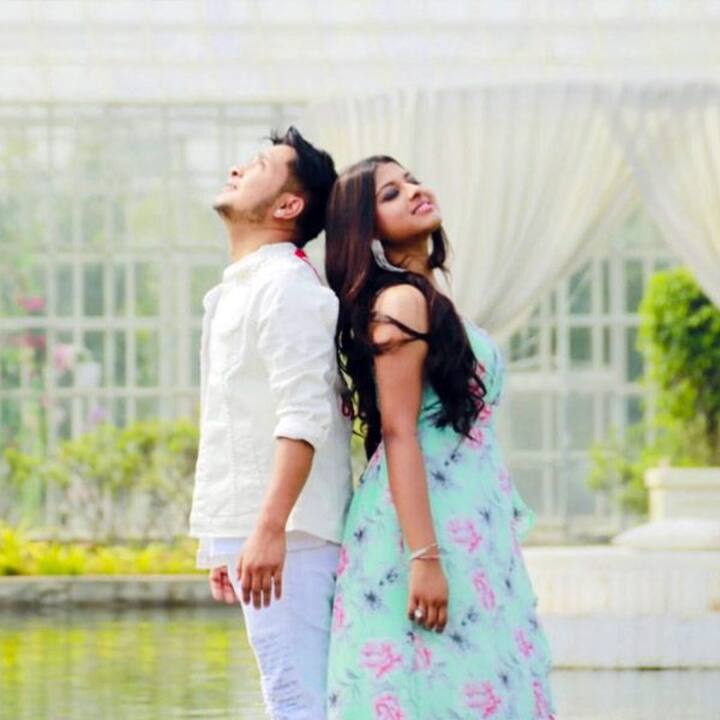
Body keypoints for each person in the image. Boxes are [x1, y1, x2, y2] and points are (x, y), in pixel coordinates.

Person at [323, 156, 556, 719]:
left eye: (411, 181)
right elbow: (398, 432)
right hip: (423, 530)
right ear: (367, 230)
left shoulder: (429, 300)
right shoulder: (400, 303)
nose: (413, 191)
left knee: (476, 681)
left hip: (462, 520)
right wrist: (424, 558)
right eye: (390, 194)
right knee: (433, 686)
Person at [188, 127, 352, 719]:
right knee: (287, 691)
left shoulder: (286, 286)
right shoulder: (243, 286)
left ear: (288, 206)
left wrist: (268, 528)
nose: (236, 169)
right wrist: (224, 540)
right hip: (268, 528)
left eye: (257, 166)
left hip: (295, 532)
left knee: (298, 697)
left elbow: (303, 415)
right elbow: (237, 423)